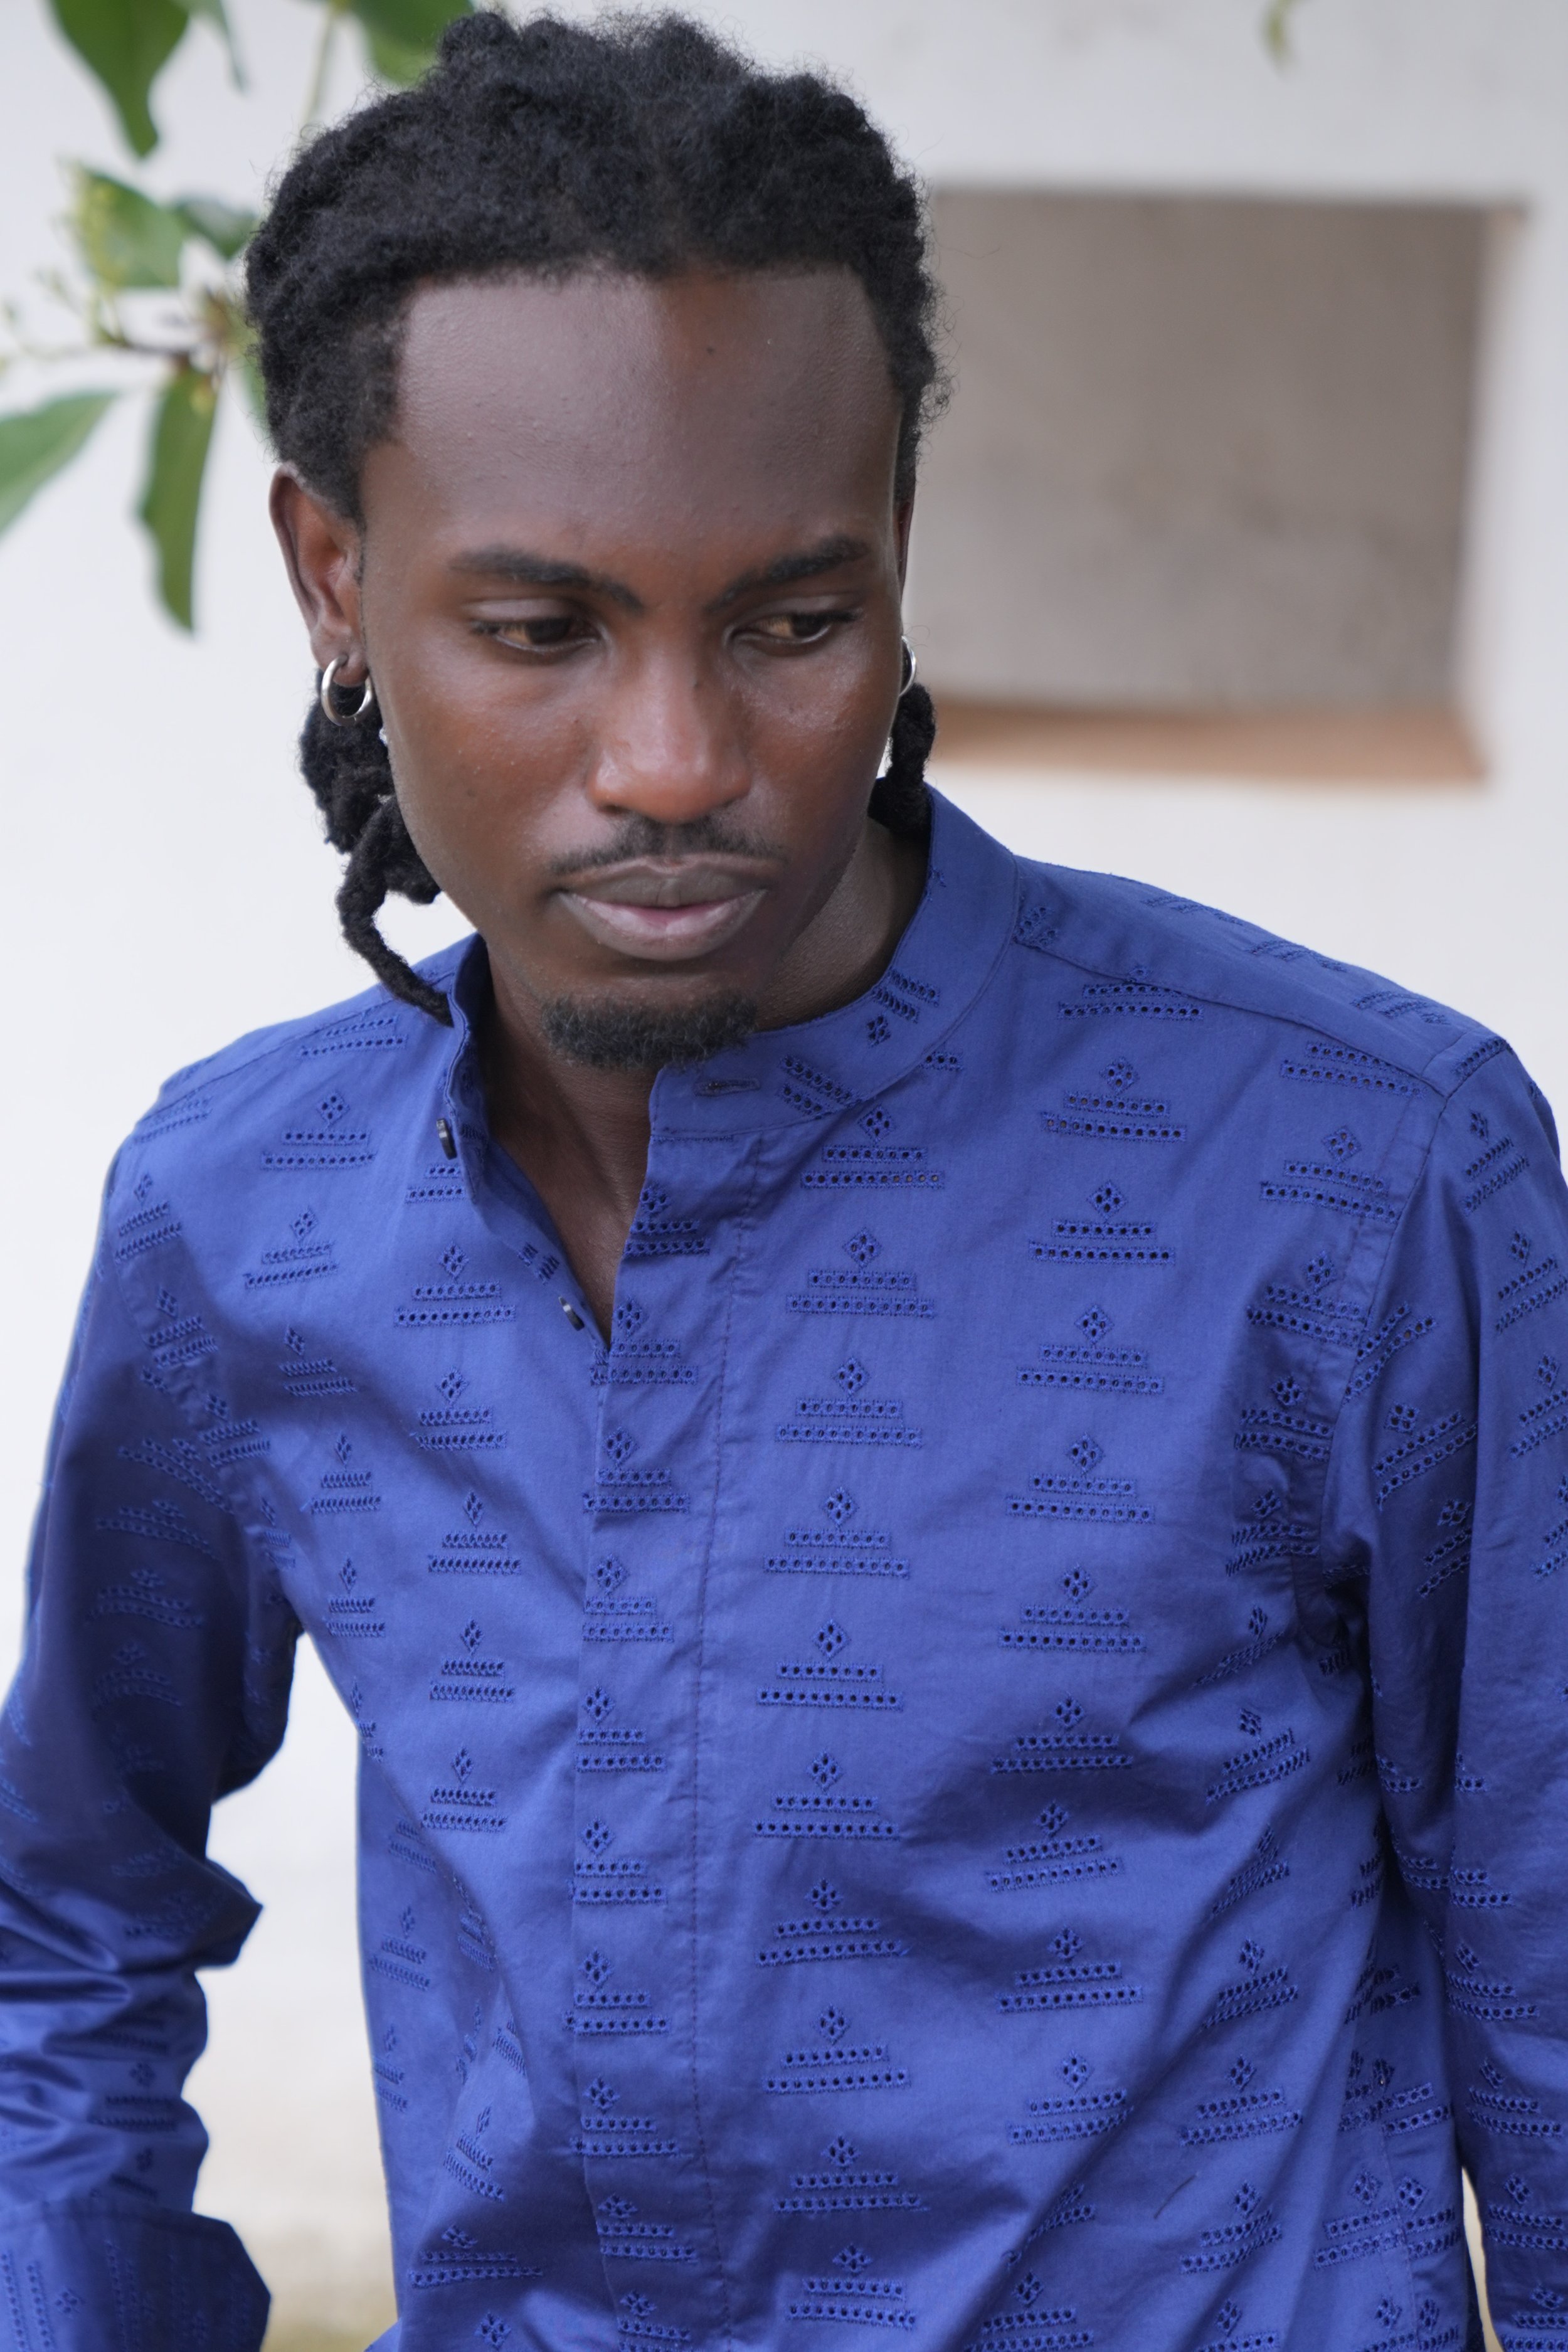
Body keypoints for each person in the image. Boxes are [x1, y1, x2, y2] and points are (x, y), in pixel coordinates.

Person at [0, 12, 1561, 2349]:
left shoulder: (1357, 1176)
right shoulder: (244, 1218)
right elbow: (63, 1926)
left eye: (793, 622)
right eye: (541, 630)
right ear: (335, 576)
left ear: (901, 559)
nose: (676, 762)